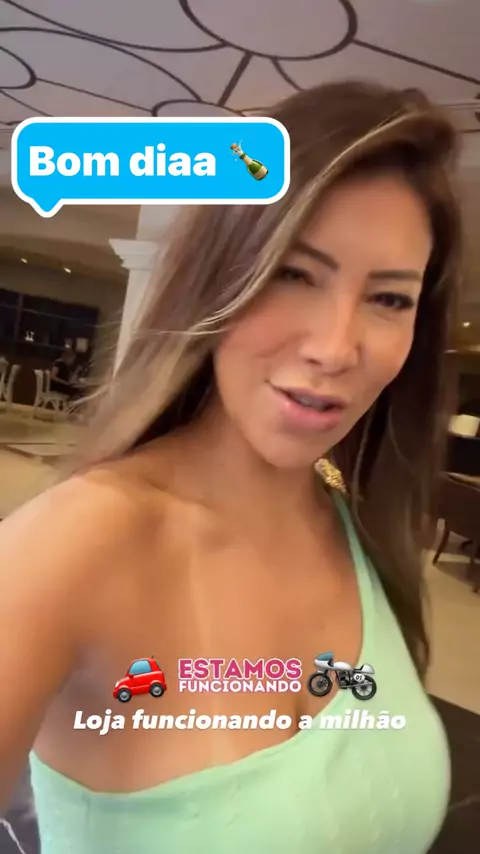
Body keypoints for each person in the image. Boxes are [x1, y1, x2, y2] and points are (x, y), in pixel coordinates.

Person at [0, 81, 462, 853]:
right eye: (294, 273)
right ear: (217, 278)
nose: (335, 347)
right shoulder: (73, 543)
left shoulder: (350, 520)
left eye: (388, 299)